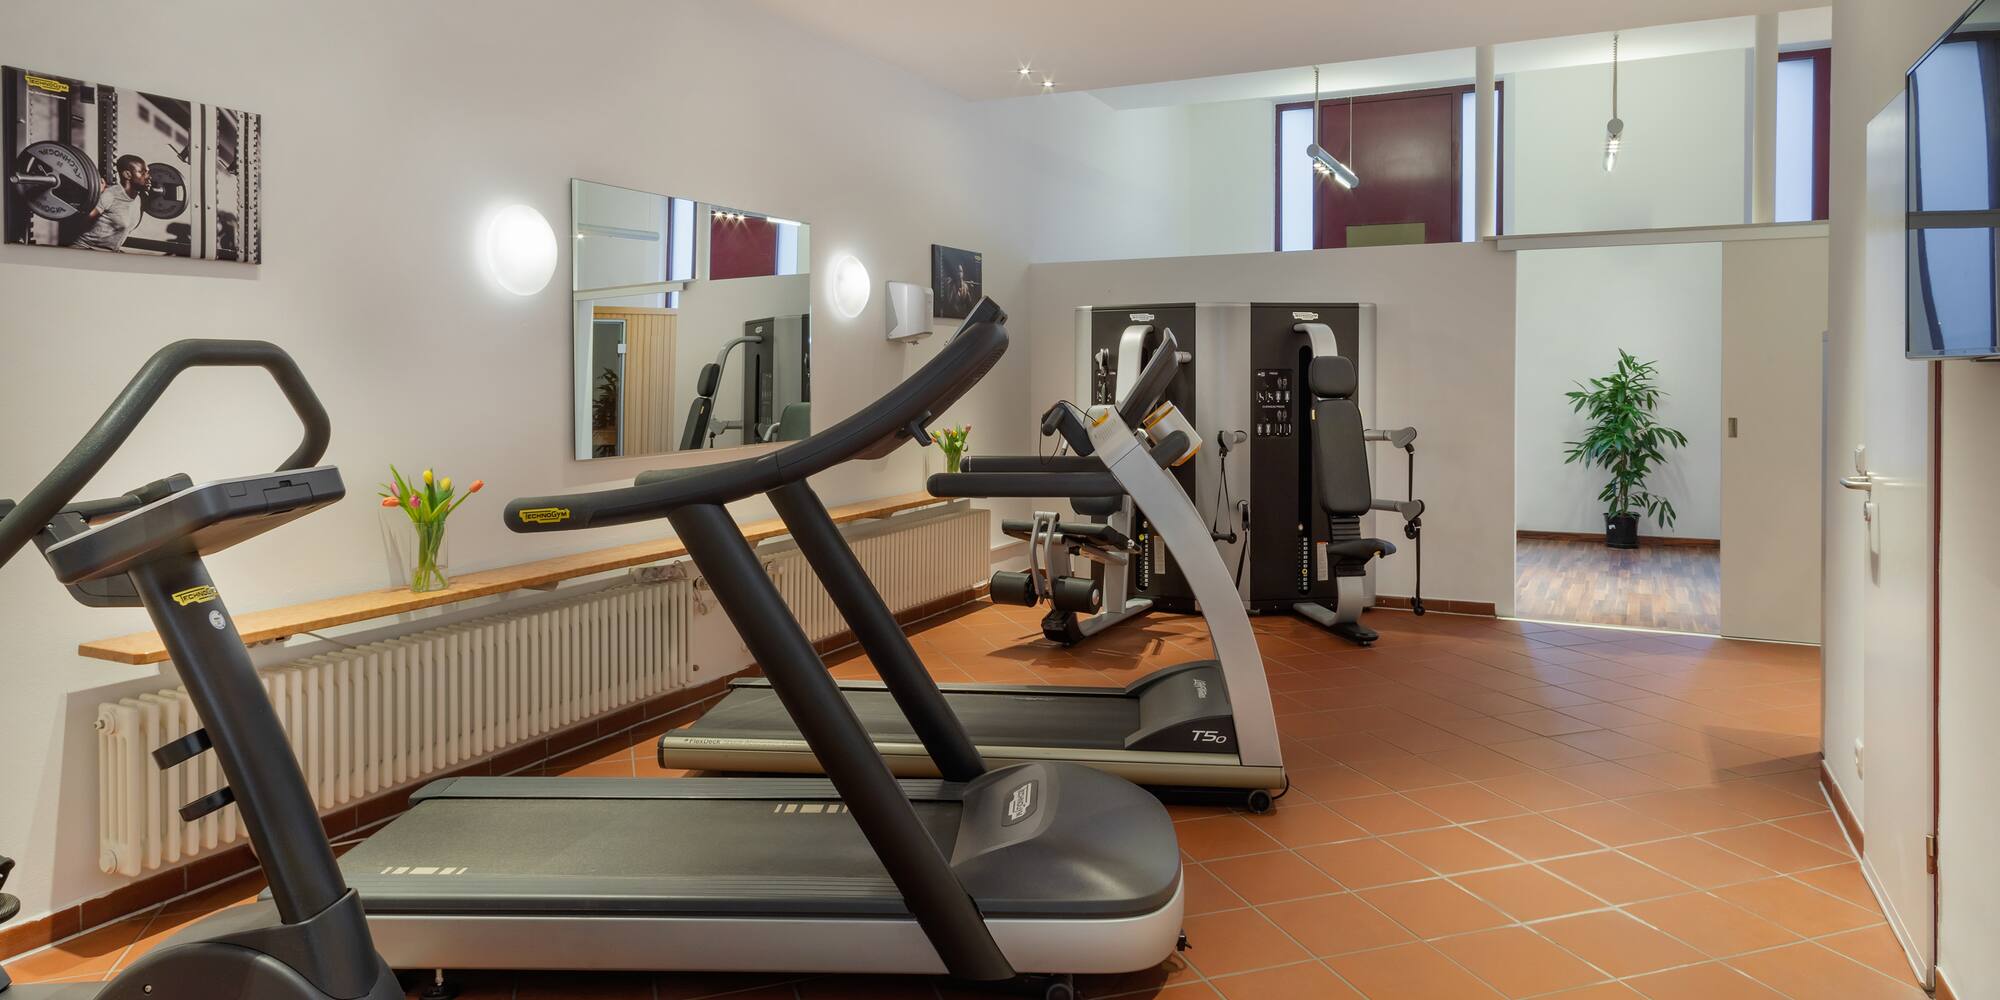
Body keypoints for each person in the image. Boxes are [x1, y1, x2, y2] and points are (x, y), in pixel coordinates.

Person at [72, 155, 148, 251]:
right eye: (142, 173)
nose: (148, 177)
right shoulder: (110, 195)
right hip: (86, 249)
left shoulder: (137, 199)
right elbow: (79, 224)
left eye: (147, 172)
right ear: (127, 174)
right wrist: (95, 195)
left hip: (110, 253)